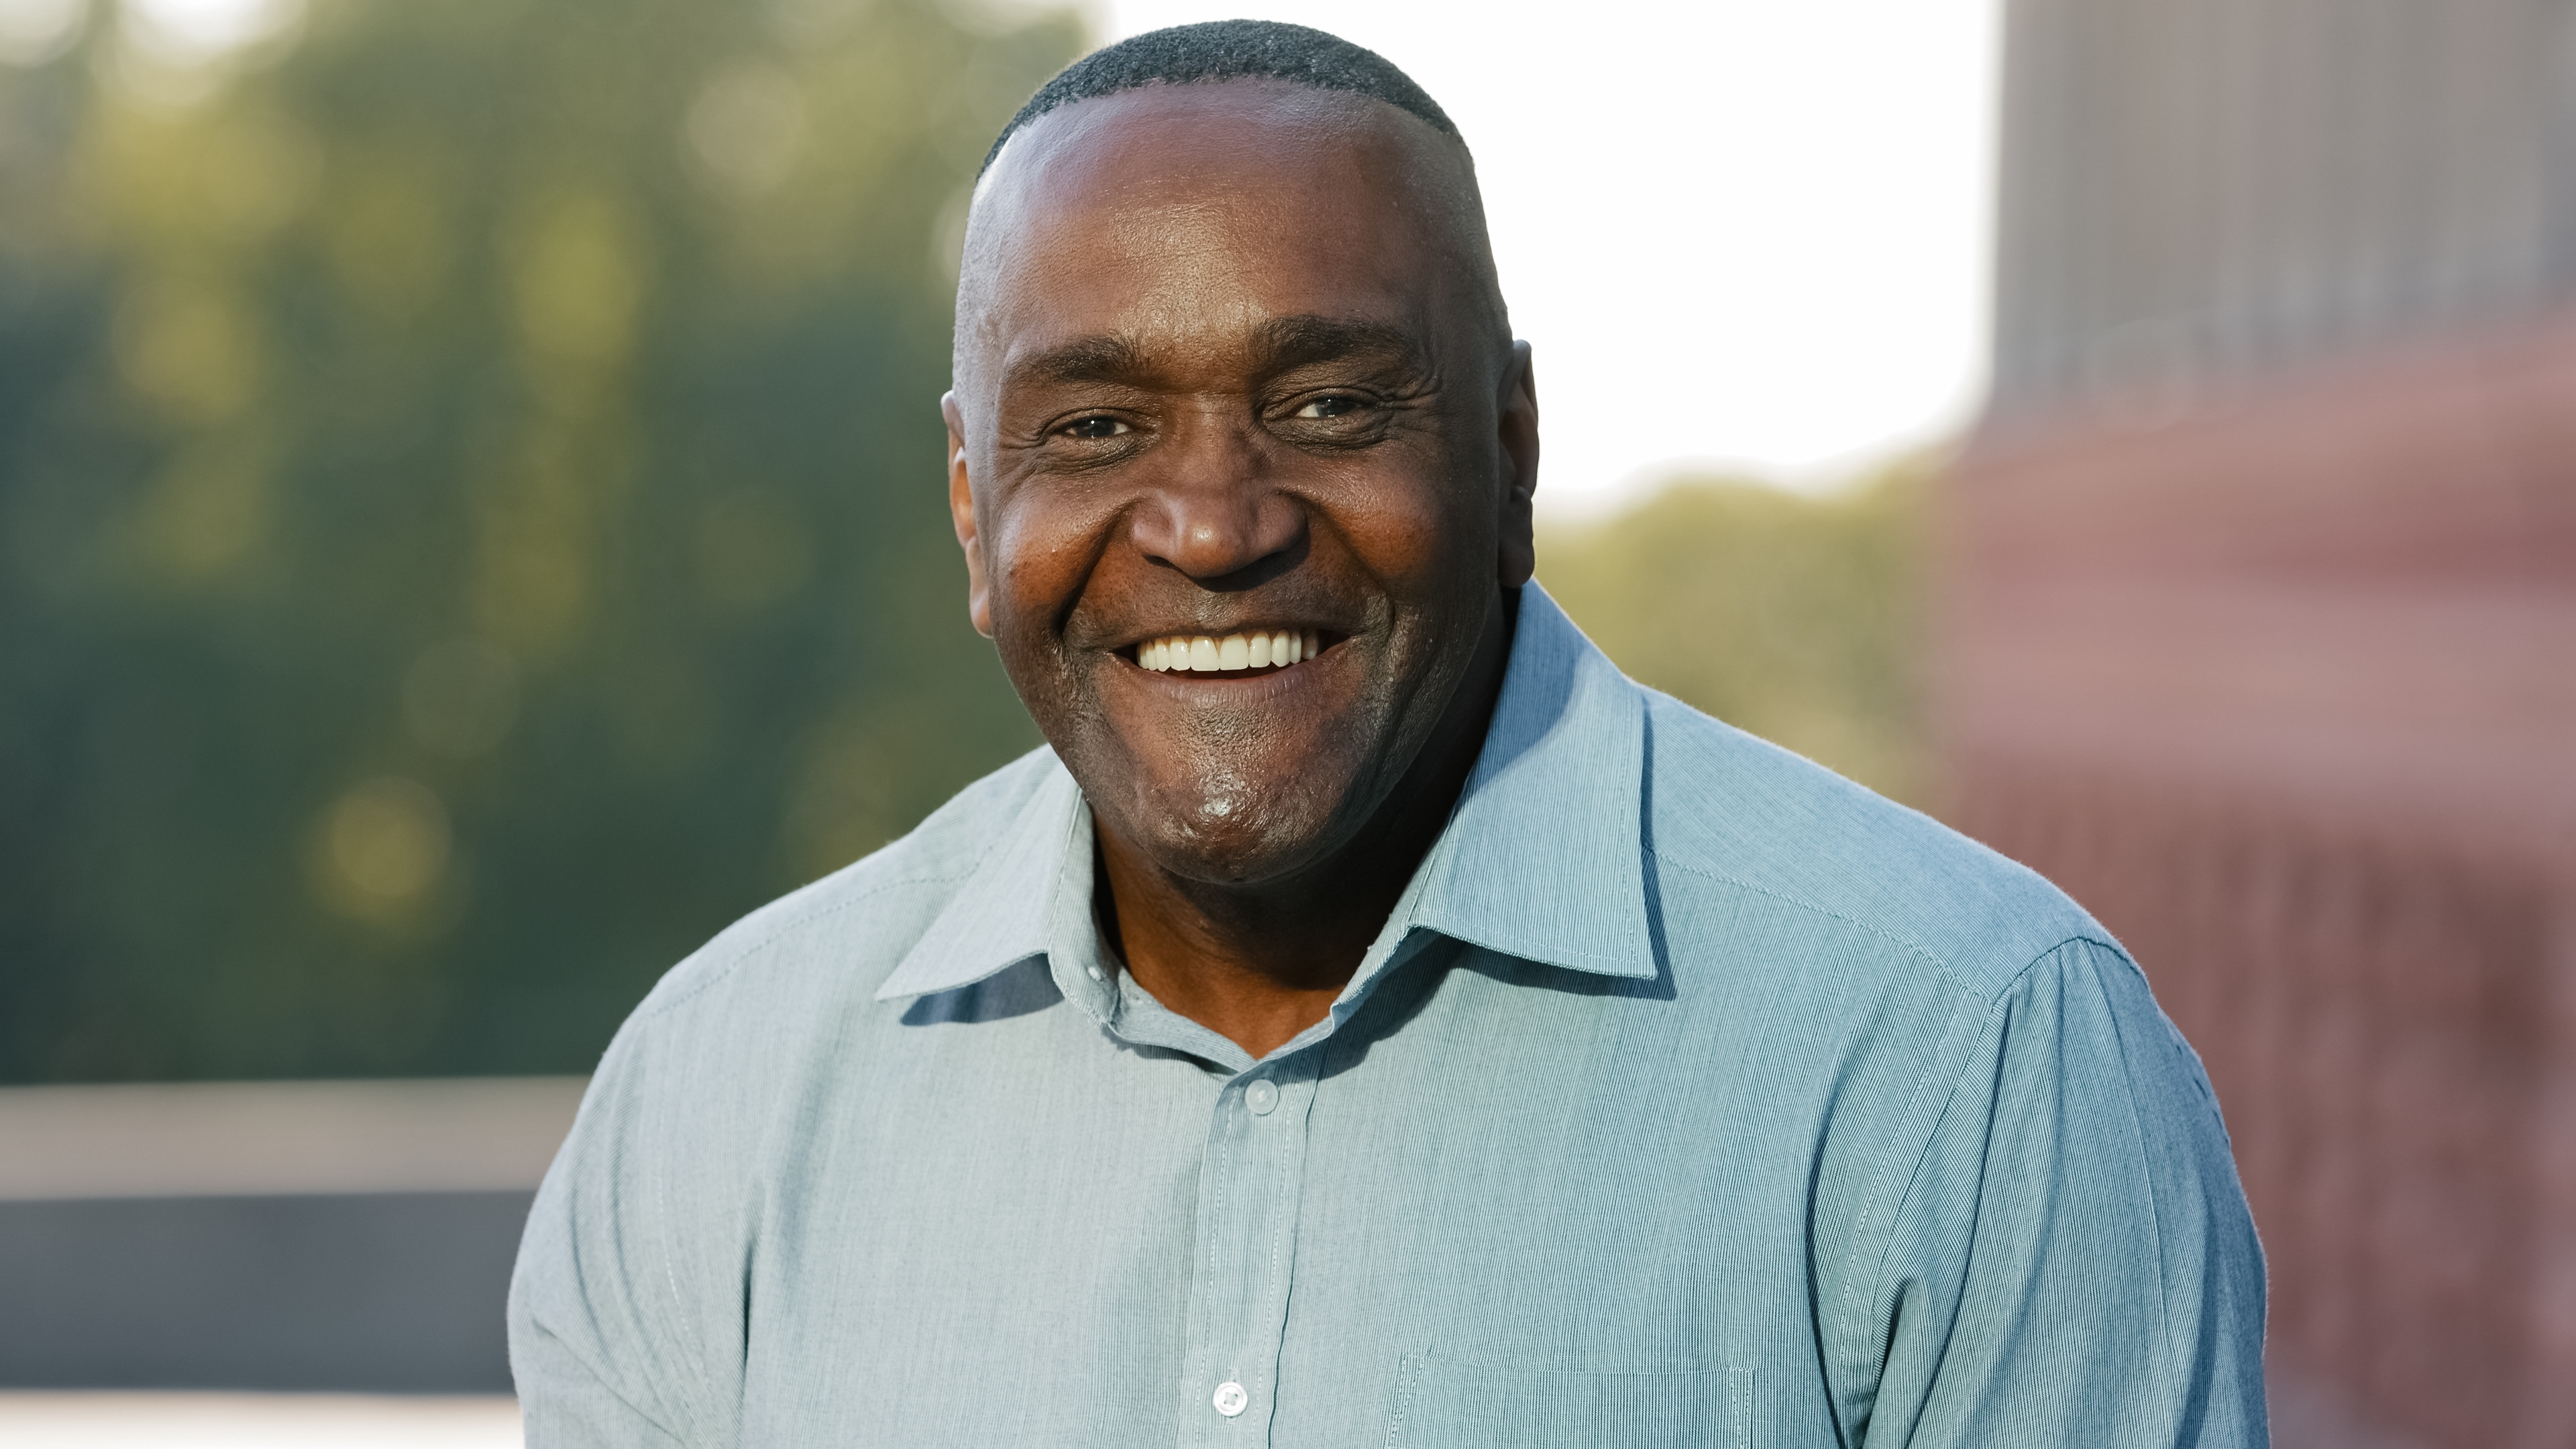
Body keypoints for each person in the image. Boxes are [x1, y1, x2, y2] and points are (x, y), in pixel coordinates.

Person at [509, 20, 2266, 1446]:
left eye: (1330, 403)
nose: (1213, 525)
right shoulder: (715, 1103)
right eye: (1101, 427)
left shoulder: (1972, 1064)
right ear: (975, 510)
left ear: (1510, 449)